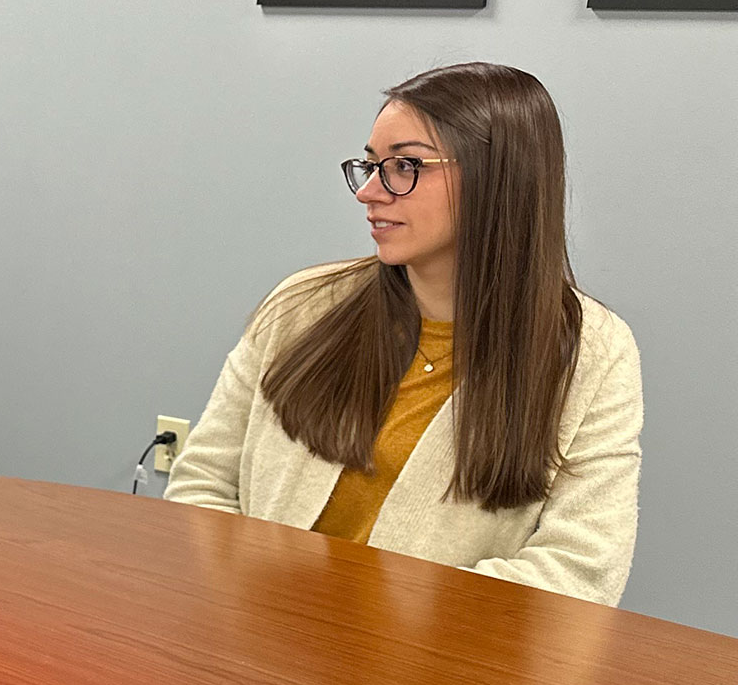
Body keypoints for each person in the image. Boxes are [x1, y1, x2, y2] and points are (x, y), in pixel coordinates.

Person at [165, 62, 642, 605]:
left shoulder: (592, 352)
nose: (369, 192)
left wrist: (382, 634)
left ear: (499, 177)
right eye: (370, 166)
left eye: (405, 166)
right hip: (256, 645)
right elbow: (202, 484)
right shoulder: (300, 306)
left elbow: (581, 571)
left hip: (439, 674)